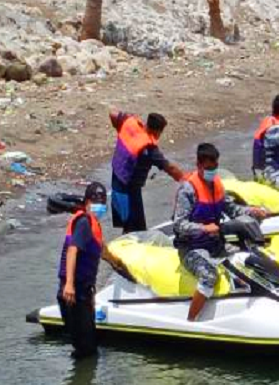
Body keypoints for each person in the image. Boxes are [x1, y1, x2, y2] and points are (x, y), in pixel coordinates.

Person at [175, 143, 267, 321]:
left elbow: (232, 210)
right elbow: (179, 225)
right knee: (209, 275)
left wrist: (251, 210)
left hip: (215, 244)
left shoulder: (217, 185)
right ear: (199, 165)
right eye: (208, 168)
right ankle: (191, 321)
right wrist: (203, 228)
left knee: (246, 258)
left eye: (215, 167)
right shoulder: (188, 190)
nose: (212, 171)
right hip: (191, 249)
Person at [56, 182, 117, 358]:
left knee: (89, 347)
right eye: (95, 200)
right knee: (85, 350)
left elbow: (101, 251)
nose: (99, 205)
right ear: (87, 201)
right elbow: (73, 250)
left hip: (83, 292)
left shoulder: (93, 225)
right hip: (72, 293)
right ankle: (79, 383)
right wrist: (69, 284)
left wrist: (120, 266)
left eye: (102, 201)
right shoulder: (83, 222)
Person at [109, 109, 184, 233]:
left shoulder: (130, 124)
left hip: (116, 178)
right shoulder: (149, 149)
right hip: (130, 188)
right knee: (136, 228)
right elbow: (170, 168)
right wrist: (185, 180)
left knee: (126, 219)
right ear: (157, 131)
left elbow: (112, 113)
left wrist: (118, 128)